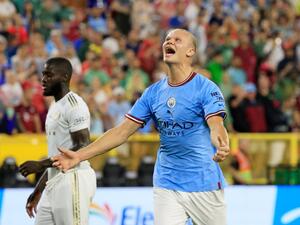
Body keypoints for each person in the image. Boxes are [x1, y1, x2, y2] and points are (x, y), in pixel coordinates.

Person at [53, 29, 230, 225]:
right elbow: (121, 132)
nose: (169, 42)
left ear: (190, 51)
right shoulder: (152, 93)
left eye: (177, 40)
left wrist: (221, 143)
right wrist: (79, 156)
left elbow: (216, 124)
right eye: (167, 39)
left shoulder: (206, 88)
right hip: (167, 183)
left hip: (204, 183)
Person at [19, 57, 96, 225]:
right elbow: (56, 153)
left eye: (48, 75)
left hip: (73, 179)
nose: (43, 79)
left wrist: (40, 165)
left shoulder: (75, 105)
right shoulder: (55, 106)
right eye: (43, 74)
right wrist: (38, 190)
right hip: (54, 182)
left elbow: (82, 145)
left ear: (64, 76)